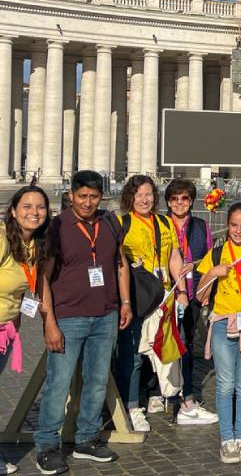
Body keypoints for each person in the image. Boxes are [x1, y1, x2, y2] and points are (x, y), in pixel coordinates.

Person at [36, 170, 131, 474]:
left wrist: (125, 301)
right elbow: (43, 277)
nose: (88, 202)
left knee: (97, 380)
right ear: (71, 195)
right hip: (67, 316)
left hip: (105, 314)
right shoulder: (57, 226)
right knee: (58, 383)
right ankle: (47, 445)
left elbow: (120, 264)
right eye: (82, 196)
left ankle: (87, 438)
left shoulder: (110, 222)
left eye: (93, 196)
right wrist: (49, 320)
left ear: (101, 196)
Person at [114, 175, 186, 432]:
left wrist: (182, 292)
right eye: (139, 195)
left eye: (148, 194)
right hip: (136, 297)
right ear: (130, 198)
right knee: (132, 355)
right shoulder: (122, 223)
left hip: (164, 294)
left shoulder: (165, 222)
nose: (144, 200)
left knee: (167, 349)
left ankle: (169, 397)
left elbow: (174, 258)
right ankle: (131, 407)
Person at [194, 203, 241, 464]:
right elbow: (200, 295)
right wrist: (212, 272)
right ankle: (226, 439)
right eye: (234, 225)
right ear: (227, 224)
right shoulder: (217, 252)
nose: (238, 230)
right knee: (225, 384)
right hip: (222, 323)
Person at [0, 186, 50, 474]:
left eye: (40, 207)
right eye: (27, 206)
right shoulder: (3, 237)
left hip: (5, 328)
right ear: (14, 210)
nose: (34, 212)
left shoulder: (33, 243)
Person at [163, 179, 218, 426]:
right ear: (168, 202)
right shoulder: (161, 224)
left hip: (193, 290)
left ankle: (185, 394)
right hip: (167, 291)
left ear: (191, 201)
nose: (179, 203)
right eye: (174, 199)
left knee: (185, 341)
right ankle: (164, 392)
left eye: (184, 198)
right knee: (165, 341)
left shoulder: (201, 225)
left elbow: (208, 259)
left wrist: (195, 268)